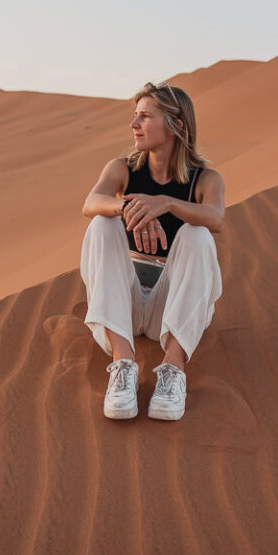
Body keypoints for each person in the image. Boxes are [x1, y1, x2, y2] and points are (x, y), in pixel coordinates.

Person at [80, 80, 224, 421]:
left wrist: (167, 204)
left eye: (144, 117)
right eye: (135, 116)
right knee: (101, 223)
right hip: (125, 307)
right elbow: (91, 202)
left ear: (175, 124)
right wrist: (128, 209)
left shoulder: (205, 180)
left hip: (170, 308)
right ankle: (122, 364)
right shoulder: (122, 169)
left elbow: (216, 218)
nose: (134, 125)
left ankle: (173, 370)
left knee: (198, 234)